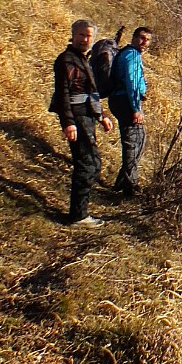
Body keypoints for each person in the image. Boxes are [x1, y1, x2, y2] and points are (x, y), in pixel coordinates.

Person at [49, 19, 114, 226]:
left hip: (86, 116)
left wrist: (101, 115)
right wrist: (68, 122)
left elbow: (89, 91)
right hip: (76, 117)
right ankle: (78, 215)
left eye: (89, 36)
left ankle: (80, 211)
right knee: (87, 163)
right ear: (73, 35)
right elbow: (63, 94)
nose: (85, 39)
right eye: (81, 35)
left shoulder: (82, 59)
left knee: (91, 163)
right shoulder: (66, 60)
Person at [109, 26, 153, 197]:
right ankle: (129, 187)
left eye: (148, 40)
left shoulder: (128, 53)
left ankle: (122, 182)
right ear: (134, 37)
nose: (144, 42)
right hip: (126, 101)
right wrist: (135, 108)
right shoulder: (132, 55)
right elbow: (132, 84)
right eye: (141, 38)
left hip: (120, 100)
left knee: (138, 140)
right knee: (133, 142)